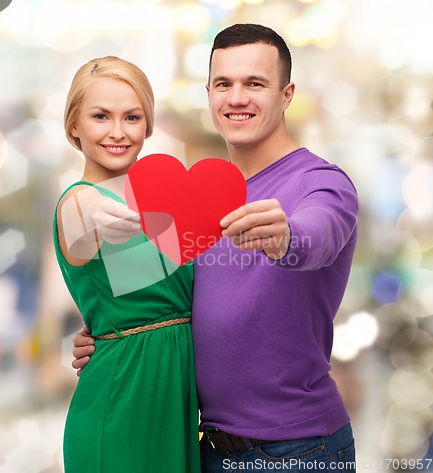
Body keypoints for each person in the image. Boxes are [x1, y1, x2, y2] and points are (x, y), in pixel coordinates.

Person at [73, 24, 359, 472]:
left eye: (255, 84)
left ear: (287, 95)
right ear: (208, 93)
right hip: (204, 448)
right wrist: (108, 333)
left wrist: (287, 237)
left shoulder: (320, 183)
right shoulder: (200, 198)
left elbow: (320, 233)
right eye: (224, 84)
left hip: (297, 450)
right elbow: (161, 295)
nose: (237, 97)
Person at [54, 56, 200, 473]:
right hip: (122, 405)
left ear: (148, 125)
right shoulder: (79, 200)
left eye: (132, 117)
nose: (118, 132)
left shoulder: (170, 204)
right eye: (100, 116)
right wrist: (96, 220)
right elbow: (81, 223)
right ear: (74, 125)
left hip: (174, 403)